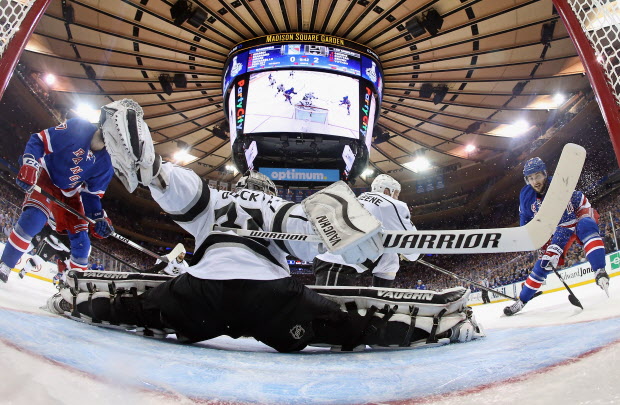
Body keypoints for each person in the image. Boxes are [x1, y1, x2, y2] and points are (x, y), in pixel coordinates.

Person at [55, 124, 483, 351]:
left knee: (138, 310)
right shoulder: (282, 208)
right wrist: (367, 252)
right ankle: (442, 330)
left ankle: (73, 301)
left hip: (201, 297)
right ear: (268, 191)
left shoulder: (215, 196)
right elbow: (318, 236)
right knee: (351, 327)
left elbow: (178, 188)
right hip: (270, 301)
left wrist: (154, 170)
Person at [0, 98, 136, 283]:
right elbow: (39, 140)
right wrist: (30, 163)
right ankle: (6, 264)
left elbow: (90, 195)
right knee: (34, 218)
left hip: (71, 193)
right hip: (47, 175)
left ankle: (73, 287)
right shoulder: (78, 128)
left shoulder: (107, 164)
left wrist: (98, 218)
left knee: (82, 244)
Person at [504, 157, 611, 316]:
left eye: (538, 176)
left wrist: (554, 249)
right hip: (555, 223)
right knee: (544, 263)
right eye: (531, 178)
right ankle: (522, 301)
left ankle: (600, 271)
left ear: (545, 174)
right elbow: (525, 220)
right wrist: (535, 240)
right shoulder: (525, 195)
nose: (535, 181)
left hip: (577, 212)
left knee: (585, 226)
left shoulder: (558, 187)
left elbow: (568, 223)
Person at [313, 174, 419, 287]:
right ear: (387, 191)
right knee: (330, 302)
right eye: (396, 194)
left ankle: (380, 297)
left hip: (331, 256)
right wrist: (414, 256)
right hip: (336, 262)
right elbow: (411, 243)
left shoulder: (357, 198)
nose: (397, 197)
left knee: (390, 257)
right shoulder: (390, 204)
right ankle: (381, 295)